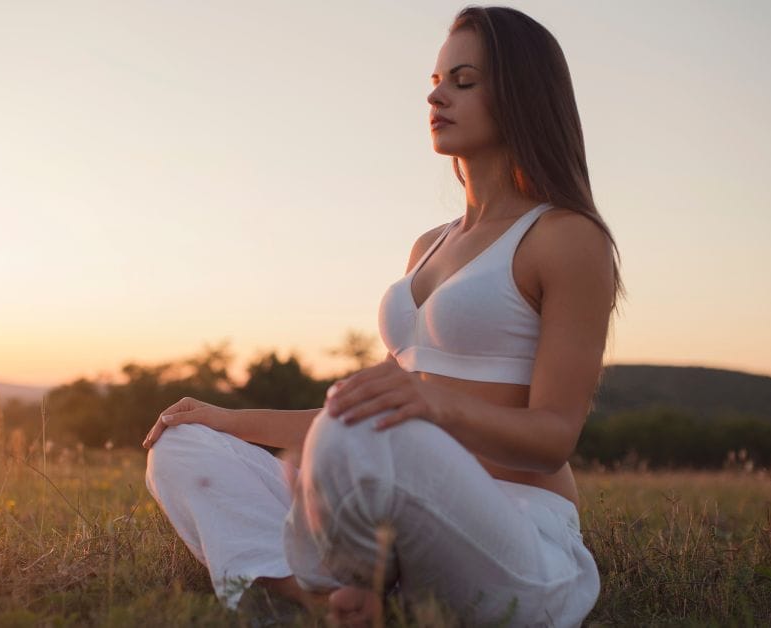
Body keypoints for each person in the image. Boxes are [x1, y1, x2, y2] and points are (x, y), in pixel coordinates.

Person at [141, 5, 622, 626]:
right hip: (394, 508)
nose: (438, 96)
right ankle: (326, 597)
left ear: (522, 95)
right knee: (184, 446)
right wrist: (231, 421)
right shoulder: (430, 245)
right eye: (435, 81)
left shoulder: (564, 237)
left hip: (518, 537)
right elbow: (368, 418)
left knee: (360, 432)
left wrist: (434, 407)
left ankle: (338, 581)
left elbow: (554, 435)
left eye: (464, 81)